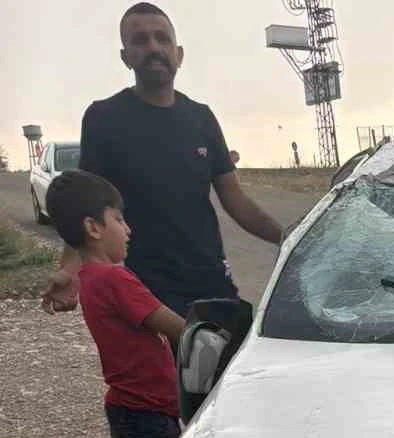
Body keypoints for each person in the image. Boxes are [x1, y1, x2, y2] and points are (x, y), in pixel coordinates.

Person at [43, 3, 282, 318]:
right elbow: (85, 206)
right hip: (145, 292)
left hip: (213, 281)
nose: (154, 47)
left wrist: (288, 237)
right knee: (174, 353)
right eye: (140, 40)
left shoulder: (201, 118)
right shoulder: (104, 118)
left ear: (178, 54)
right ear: (126, 56)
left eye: (162, 38)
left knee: (231, 348)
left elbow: (235, 198)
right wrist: (69, 271)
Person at [46, 168, 184, 438]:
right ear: (93, 228)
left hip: (133, 413)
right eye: (119, 219)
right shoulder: (114, 279)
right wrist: (224, 331)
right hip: (147, 416)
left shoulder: (90, 278)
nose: (128, 229)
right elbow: (179, 328)